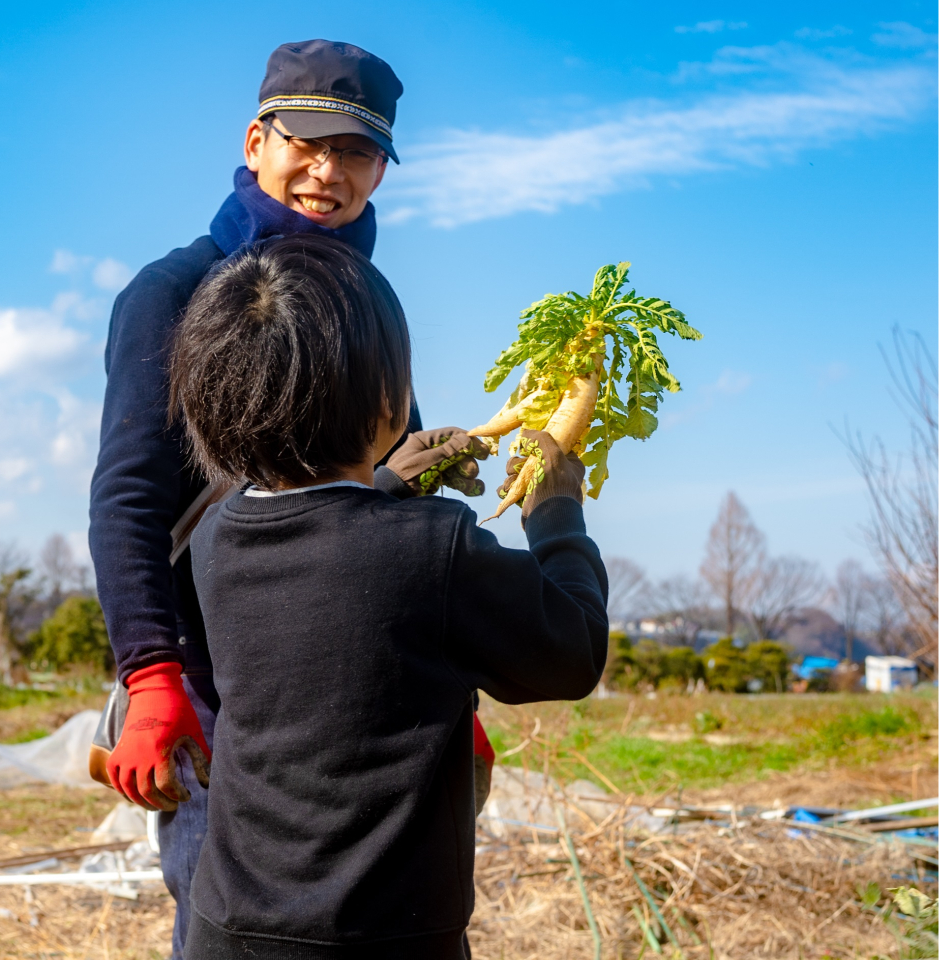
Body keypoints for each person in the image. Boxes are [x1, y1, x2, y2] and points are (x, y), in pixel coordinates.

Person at [88, 40, 491, 957]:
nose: (327, 172)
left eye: (356, 153)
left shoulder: (370, 301)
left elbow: (386, 500)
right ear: (257, 138)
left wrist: (452, 698)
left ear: (382, 168)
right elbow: (127, 499)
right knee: (226, 918)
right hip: (219, 694)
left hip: (363, 689)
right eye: (307, 143)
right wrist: (151, 678)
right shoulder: (172, 293)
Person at [167, 235, 609, 959]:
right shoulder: (435, 547)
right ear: (388, 398)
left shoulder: (219, 537)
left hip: (230, 928)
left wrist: (386, 484)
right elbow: (572, 653)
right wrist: (557, 512)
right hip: (382, 940)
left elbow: (326, 545)